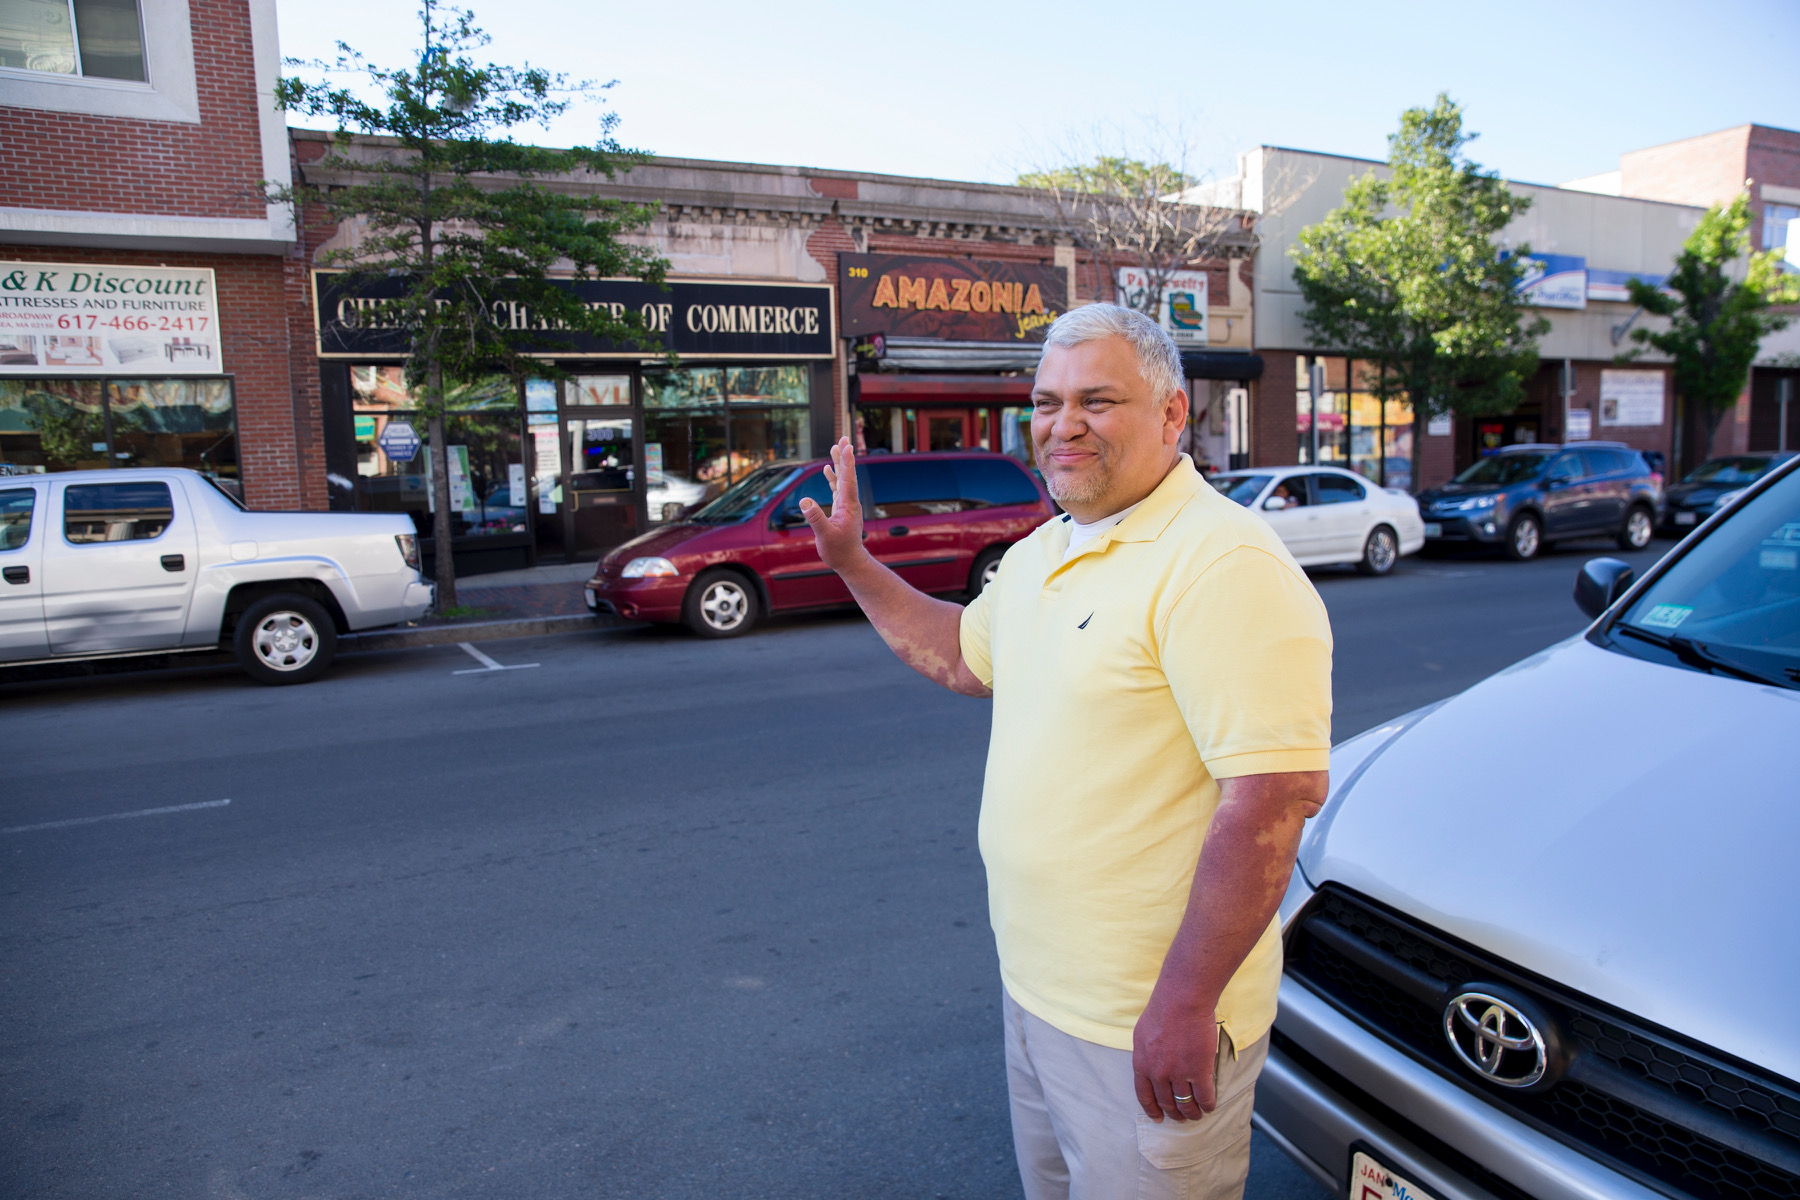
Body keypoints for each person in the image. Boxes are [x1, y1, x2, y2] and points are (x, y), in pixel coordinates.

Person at [800, 303, 1332, 1200]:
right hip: (1039, 993)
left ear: (1172, 414)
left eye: (1097, 399)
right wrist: (854, 561)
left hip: (1145, 1019)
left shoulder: (1222, 563)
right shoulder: (1049, 546)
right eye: (1047, 402)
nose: (1063, 424)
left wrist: (1184, 1006)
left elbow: (1271, 803)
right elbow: (966, 657)